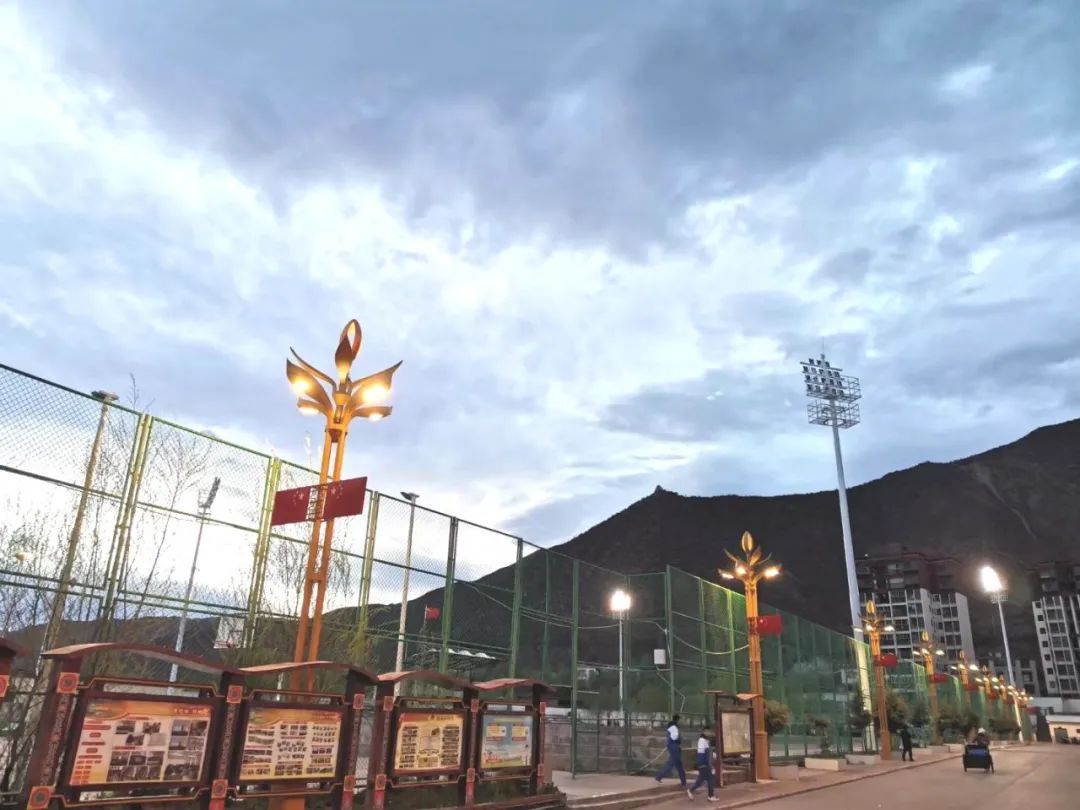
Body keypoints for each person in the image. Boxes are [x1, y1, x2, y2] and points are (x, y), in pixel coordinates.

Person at [655, 714, 687, 787]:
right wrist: (680, 738)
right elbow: (674, 737)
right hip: (674, 746)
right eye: (681, 719)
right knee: (674, 764)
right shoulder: (674, 727)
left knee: (675, 764)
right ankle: (659, 776)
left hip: (674, 746)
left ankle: (683, 782)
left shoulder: (674, 726)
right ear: (678, 719)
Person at [687, 728, 718, 802]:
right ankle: (710, 796)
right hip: (704, 764)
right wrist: (707, 764)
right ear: (704, 732)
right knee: (709, 779)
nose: (709, 733)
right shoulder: (702, 741)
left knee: (702, 780)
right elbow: (704, 754)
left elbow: (708, 753)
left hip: (704, 764)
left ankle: (691, 790)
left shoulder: (705, 741)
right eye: (707, 731)